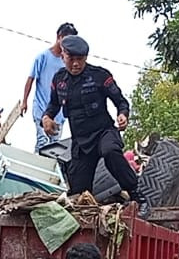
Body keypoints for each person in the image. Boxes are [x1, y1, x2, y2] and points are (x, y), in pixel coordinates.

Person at [41, 35, 139, 201]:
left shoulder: (100, 76)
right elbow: (53, 105)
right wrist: (47, 117)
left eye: (80, 59)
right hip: (81, 143)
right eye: (71, 59)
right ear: (63, 56)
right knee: (78, 193)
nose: (76, 64)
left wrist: (123, 115)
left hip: (103, 133)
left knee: (110, 152)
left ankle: (137, 195)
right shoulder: (59, 80)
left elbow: (121, 102)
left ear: (86, 58)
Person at [22, 22, 77, 151]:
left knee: (54, 147)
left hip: (58, 113)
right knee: (43, 141)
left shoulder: (67, 63)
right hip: (41, 107)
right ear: (59, 37)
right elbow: (31, 79)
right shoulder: (43, 57)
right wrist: (24, 101)